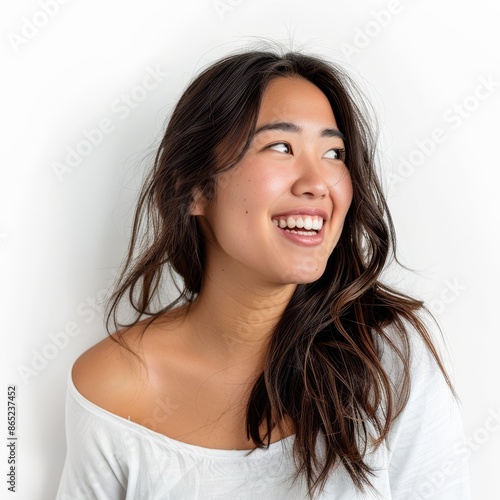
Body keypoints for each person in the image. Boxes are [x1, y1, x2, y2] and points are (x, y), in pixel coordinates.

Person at [56, 46, 470, 499]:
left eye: (334, 153)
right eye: (280, 146)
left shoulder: (387, 359)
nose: (317, 182)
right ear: (193, 188)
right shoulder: (111, 388)